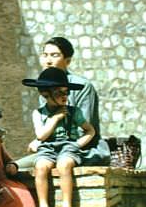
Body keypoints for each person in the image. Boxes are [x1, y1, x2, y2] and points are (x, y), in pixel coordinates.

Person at [16, 37, 110, 170]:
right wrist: (40, 141)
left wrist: (55, 145)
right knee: (14, 168)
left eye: (54, 55)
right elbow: (45, 124)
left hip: (81, 148)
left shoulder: (82, 86)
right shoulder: (44, 85)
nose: (48, 61)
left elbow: (83, 128)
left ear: (68, 60)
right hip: (51, 149)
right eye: (45, 55)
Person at [22, 67, 96, 207]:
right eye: (59, 93)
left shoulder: (74, 112)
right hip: (48, 147)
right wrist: (54, 119)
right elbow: (41, 136)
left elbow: (90, 130)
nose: (65, 96)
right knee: (41, 167)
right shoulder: (39, 113)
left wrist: (77, 144)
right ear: (45, 95)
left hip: (67, 147)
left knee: (64, 165)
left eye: (66, 92)